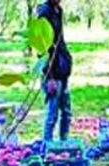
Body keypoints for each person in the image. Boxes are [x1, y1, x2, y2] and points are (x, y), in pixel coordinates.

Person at [38, 0, 73, 142]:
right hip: (52, 72)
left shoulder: (58, 10)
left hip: (62, 69)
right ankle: (47, 147)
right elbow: (41, 47)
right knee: (52, 114)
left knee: (66, 112)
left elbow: (60, 41)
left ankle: (64, 144)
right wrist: (49, 76)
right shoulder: (44, 12)